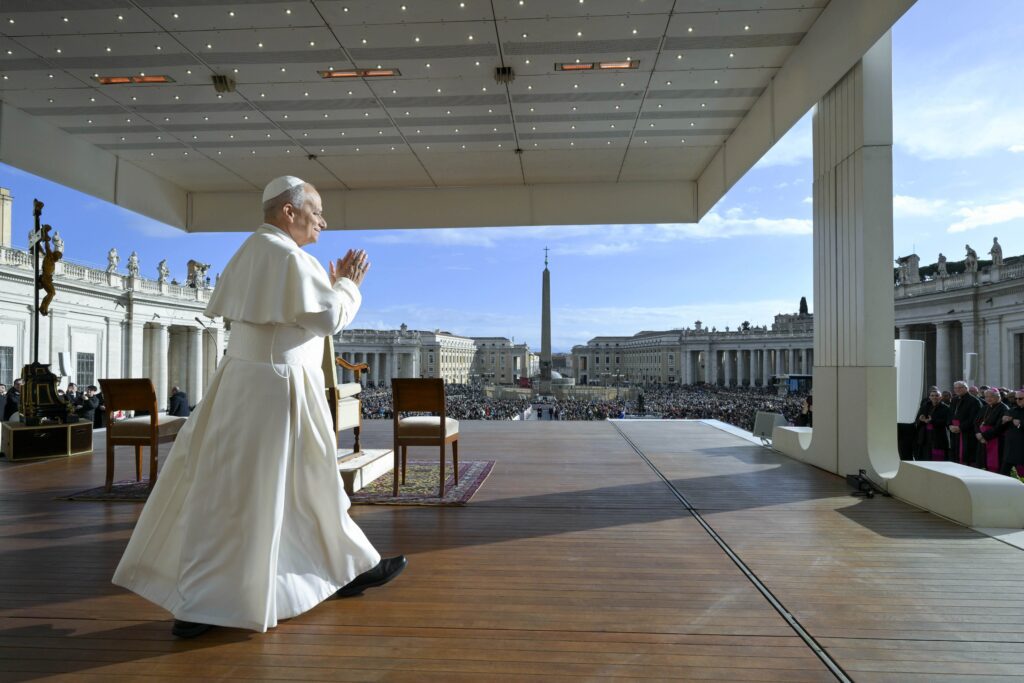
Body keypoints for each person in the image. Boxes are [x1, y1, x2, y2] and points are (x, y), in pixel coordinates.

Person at [112, 176, 406, 639]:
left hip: (245, 387)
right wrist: (347, 287)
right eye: (317, 211)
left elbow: (296, 313)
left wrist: (325, 285)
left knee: (258, 493)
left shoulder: (258, 251)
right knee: (285, 492)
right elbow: (327, 318)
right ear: (289, 212)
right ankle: (207, 602)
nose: (323, 222)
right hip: (277, 392)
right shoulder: (289, 256)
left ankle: (337, 570)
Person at [949, 381, 982, 466]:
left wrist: (960, 427)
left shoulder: (974, 401)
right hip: (954, 432)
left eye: (960, 388)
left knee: (966, 455)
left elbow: (974, 419)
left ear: (966, 388)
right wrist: (949, 425)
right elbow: (949, 415)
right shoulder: (954, 399)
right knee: (955, 453)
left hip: (967, 433)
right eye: (955, 388)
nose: (957, 390)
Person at [976, 389, 1009, 472]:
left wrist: (983, 436)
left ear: (998, 397)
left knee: (995, 465)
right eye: (986, 397)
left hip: (996, 440)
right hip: (982, 439)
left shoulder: (1004, 408)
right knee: (983, 463)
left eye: (992, 396)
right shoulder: (984, 408)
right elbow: (975, 422)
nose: (988, 399)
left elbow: (1000, 427)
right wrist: (978, 433)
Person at [915, 388, 950, 460]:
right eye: (932, 395)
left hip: (938, 436)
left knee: (937, 459)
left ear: (940, 397)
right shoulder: (925, 406)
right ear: (929, 397)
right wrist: (921, 419)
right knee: (925, 457)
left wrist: (932, 421)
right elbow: (917, 419)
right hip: (925, 436)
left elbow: (947, 422)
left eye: (937, 395)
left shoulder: (946, 408)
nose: (934, 397)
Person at [1000, 390, 1024, 477]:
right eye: (1016, 398)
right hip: (1010, 446)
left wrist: (1021, 423)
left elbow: (1019, 423)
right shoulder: (1013, 410)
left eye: (1020, 398)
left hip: (1022, 447)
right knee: (1004, 472)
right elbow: (1001, 425)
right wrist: (1003, 420)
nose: (1017, 400)